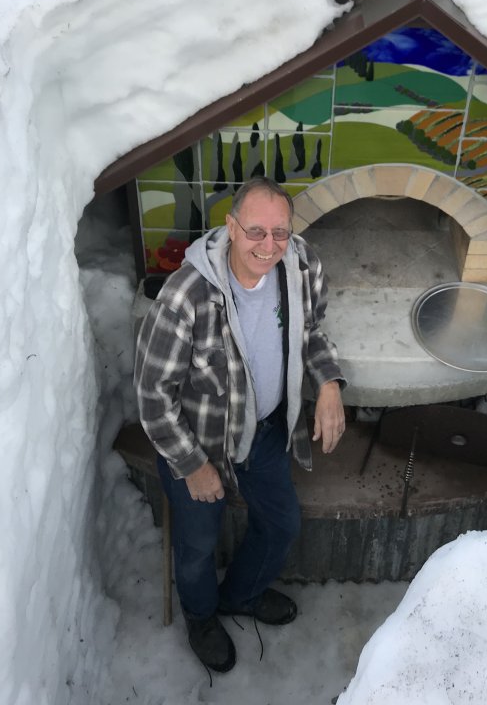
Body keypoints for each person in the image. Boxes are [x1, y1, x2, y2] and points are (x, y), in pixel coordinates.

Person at [134, 176, 345, 673]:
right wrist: (191, 465)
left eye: (280, 232)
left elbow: (312, 329)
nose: (268, 246)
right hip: (200, 445)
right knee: (197, 544)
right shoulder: (185, 297)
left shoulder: (301, 263)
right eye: (255, 232)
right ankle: (202, 616)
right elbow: (152, 396)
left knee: (281, 523)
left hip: (266, 432)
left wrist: (329, 383)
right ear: (230, 227)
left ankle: (240, 595)